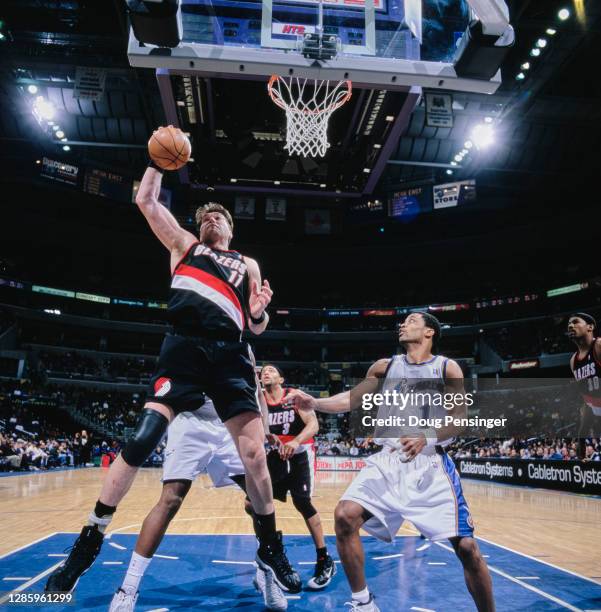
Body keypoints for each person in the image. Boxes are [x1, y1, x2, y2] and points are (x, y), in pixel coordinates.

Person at [45, 131, 300, 595]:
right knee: (142, 439)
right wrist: (159, 163)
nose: (212, 217)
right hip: (183, 347)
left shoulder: (248, 262)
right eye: (206, 214)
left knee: (254, 456)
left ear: (230, 229)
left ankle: (271, 545)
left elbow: (255, 328)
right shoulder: (184, 246)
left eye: (219, 215)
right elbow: (145, 199)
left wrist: (259, 310)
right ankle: (89, 539)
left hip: (229, 354)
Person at [288, 313, 495, 611]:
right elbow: (351, 399)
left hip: (429, 464)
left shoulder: (447, 368)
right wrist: (315, 403)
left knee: (467, 548)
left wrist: (427, 435)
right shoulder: (385, 367)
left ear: (429, 332)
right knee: (345, 516)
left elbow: (459, 419)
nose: (402, 324)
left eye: (411, 321)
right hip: (388, 460)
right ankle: (363, 603)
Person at [109, 395, 288, 612]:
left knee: (258, 500)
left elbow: (256, 390)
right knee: (170, 500)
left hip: (231, 420)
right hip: (190, 420)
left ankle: (266, 571)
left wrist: (265, 428)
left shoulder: (246, 358)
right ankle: (127, 589)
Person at [249, 364, 335, 590]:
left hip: (299, 455)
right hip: (274, 457)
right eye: (263, 371)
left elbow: (313, 425)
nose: (266, 372)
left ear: (281, 379)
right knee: (252, 503)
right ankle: (269, 552)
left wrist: (295, 441)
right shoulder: (259, 402)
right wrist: (268, 438)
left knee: (303, 502)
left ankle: (324, 558)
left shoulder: (293, 397)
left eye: (271, 370)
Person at [568, 313, 601, 453]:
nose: (570, 325)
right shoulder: (573, 361)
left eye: (575, 322)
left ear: (590, 327)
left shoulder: (598, 345)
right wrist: (581, 438)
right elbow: (588, 403)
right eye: (569, 324)